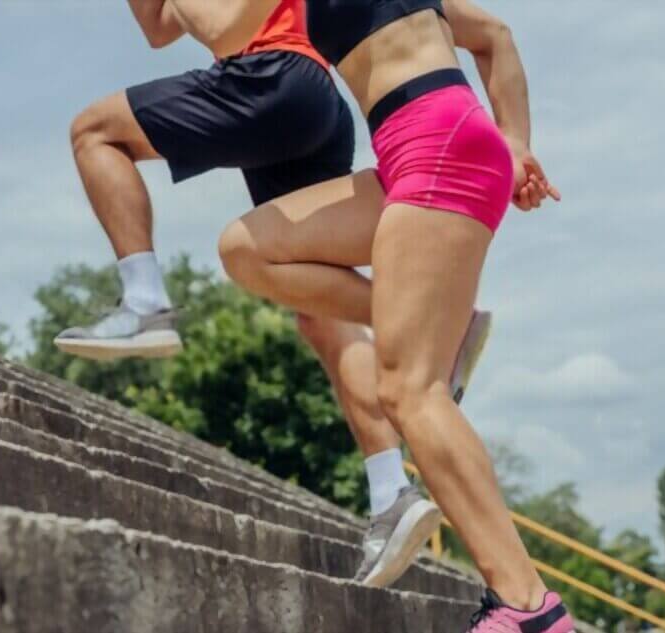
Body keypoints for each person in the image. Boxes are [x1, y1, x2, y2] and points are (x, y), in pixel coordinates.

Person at [53, 0, 492, 588]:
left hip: (271, 76)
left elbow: (219, 28)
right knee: (319, 315)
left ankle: (143, 302)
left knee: (95, 131)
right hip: (314, 104)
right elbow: (159, 30)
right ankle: (392, 489)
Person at [218, 1, 573, 631]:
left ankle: (528, 608)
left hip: (438, 144)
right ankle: (448, 323)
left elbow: (494, 38)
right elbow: (493, 36)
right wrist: (512, 145)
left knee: (410, 390)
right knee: (246, 249)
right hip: (413, 152)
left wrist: (515, 145)